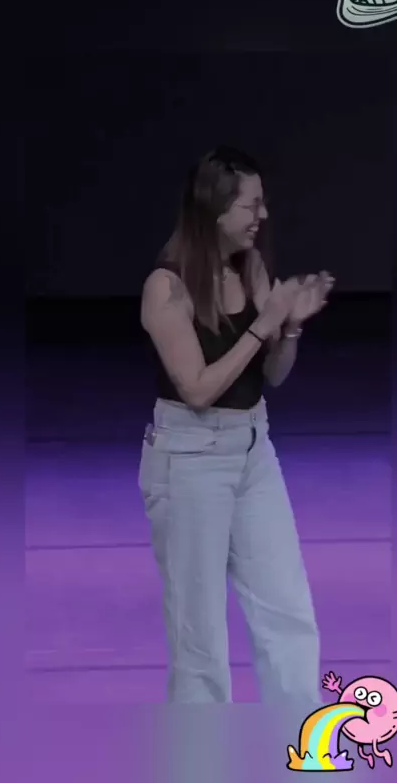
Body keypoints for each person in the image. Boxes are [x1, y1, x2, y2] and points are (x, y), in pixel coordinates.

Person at [139, 146, 334, 706]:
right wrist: (263, 324)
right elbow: (197, 389)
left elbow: (271, 375)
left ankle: (299, 740)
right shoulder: (167, 286)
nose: (262, 216)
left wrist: (289, 329)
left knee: (287, 611)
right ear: (215, 208)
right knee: (199, 637)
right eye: (251, 205)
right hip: (190, 457)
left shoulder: (251, 269)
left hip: (252, 448)